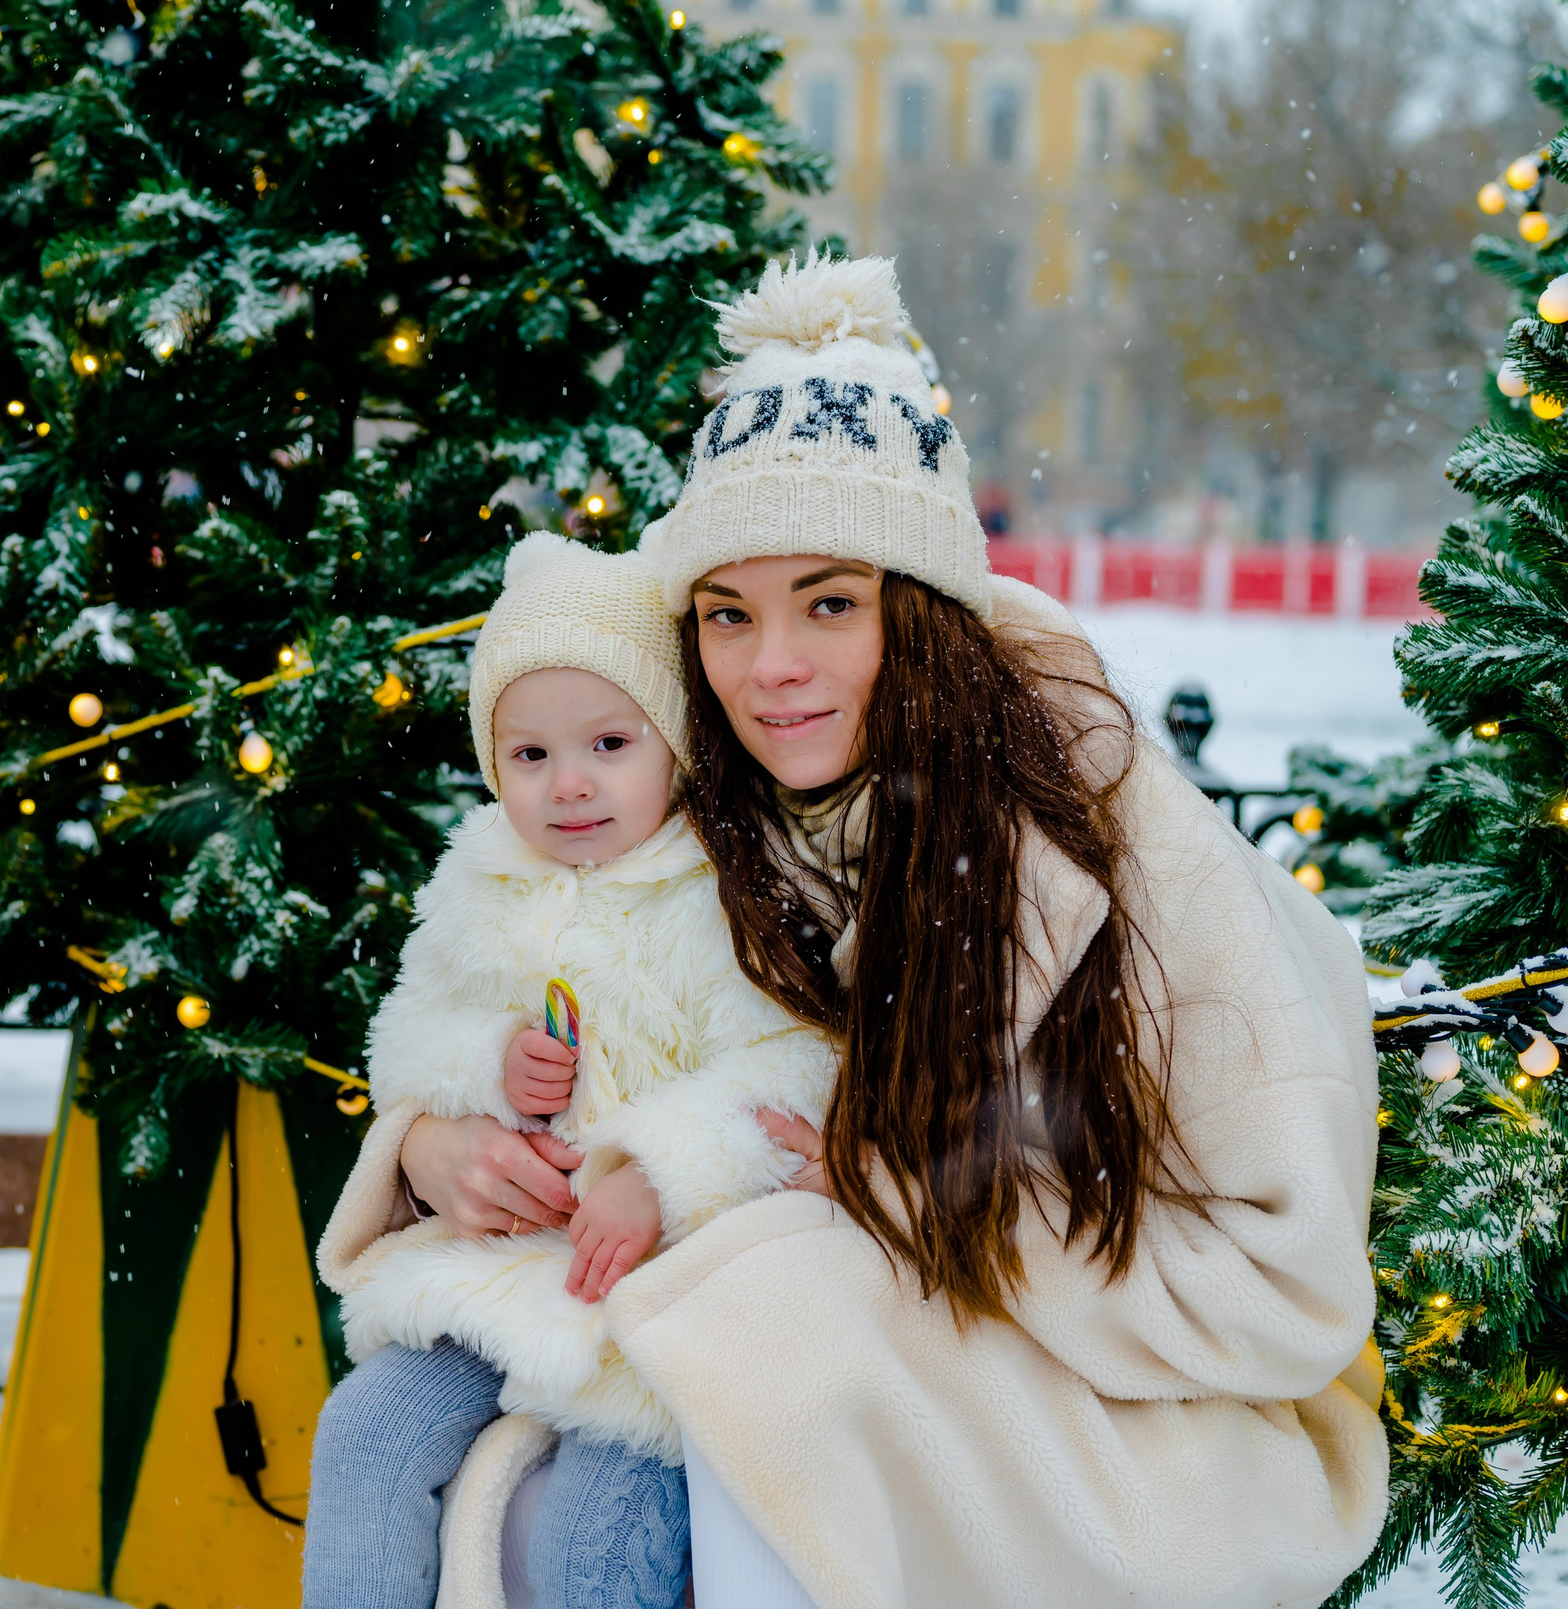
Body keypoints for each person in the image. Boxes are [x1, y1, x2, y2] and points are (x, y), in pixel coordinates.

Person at [391, 254, 1388, 1607]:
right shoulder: (720, 819)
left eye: (829, 601)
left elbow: (1285, 1288)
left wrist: (910, 1203)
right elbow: (571, 1019)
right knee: (556, 1446)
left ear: (917, 615)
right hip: (842, 1347)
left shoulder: (1117, 852)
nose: (770, 665)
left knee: (770, 1330)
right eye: (728, 614)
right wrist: (439, 1144)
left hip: (1147, 1412)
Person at [303, 532, 835, 1609]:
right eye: (529, 755)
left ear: (675, 741)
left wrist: (661, 1170)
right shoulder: (480, 873)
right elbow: (405, 1036)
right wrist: (482, 1065)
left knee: (592, 1540)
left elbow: (797, 1062)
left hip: (654, 1303)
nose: (568, 786)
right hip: (497, 1269)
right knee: (365, 1431)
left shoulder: (721, 889)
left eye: (607, 742)